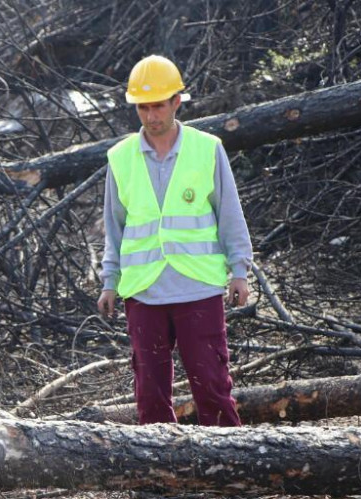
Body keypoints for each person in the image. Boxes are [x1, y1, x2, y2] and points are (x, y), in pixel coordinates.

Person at [97, 55, 253, 426]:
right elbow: (114, 228)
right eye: (143, 107)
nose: (151, 115)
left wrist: (239, 271)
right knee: (150, 395)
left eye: (158, 105)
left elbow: (229, 213)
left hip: (197, 288)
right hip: (143, 292)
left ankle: (231, 470)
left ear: (176, 102)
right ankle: (160, 477)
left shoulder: (207, 148)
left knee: (212, 387)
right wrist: (109, 283)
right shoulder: (120, 158)